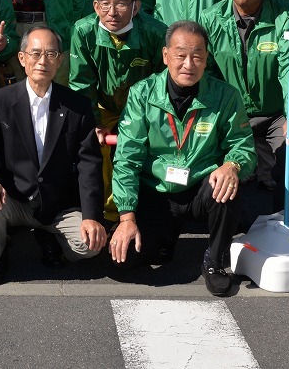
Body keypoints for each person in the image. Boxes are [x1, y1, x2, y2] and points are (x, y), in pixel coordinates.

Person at [108, 20, 254, 297]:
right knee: (123, 261)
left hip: (200, 188)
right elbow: (127, 159)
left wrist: (232, 164)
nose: (189, 64)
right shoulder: (142, 94)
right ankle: (166, 234)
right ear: (165, 56)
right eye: (181, 55)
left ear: (206, 58)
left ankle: (214, 259)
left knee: (228, 187)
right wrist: (127, 216)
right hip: (158, 191)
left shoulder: (225, 96)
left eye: (197, 55)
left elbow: (242, 146)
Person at [0, 26, 107, 286]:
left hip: (60, 205)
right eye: (35, 53)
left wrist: (91, 215)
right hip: (16, 199)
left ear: (60, 60)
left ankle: (50, 236)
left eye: (50, 53)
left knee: (91, 246)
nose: (42, 61)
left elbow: (90, 163)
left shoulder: (77, 105)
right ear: (22, 58)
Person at [198, 0, 289, 221]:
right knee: (225, 167)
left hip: (274, 111)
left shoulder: (286, 17)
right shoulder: (210, 20)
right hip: (231, 112)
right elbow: (205, 75)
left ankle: (288, 219)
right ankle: (233, 221)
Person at [68, 0, 166, 219]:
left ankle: (148, 208)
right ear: (96, 5)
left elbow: (163, 82)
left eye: (121, 3)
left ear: (135, 7)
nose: (112, 11)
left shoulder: (156, 33)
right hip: (103, 106)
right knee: (93, 145)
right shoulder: (83, 31)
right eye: (105, 3)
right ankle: (105, 211)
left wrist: (145, 119)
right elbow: (81, 83)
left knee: (140, 149)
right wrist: (95, 123)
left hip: (144, 108)